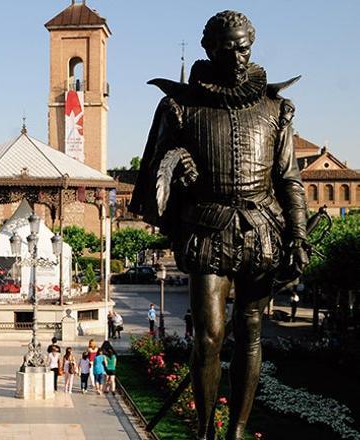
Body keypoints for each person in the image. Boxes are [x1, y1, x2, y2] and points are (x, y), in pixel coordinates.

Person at [129, 11, 309, 439]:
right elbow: (153, 179)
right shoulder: (179, 107)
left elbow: (289, 180)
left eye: (244, 47)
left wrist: (298, 235)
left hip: (263, 229)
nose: (238, 57)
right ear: (210, 50)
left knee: (250, 329)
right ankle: (207, 431)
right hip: (208, 230)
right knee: (208, 336)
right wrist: (180, 172)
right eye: (228, 49)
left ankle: (238, 431)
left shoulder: (275, 108)